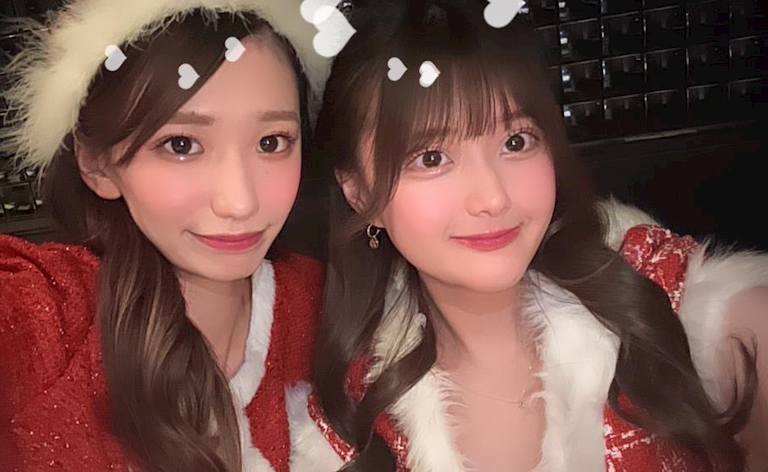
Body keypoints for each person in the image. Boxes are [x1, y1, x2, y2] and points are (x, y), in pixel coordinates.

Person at [299, 0, 768, 470]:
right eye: (431, 158)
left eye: (516, 141)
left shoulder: (662, 296)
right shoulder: (359, 394)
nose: (492, 197)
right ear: (359, 191)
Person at [0, 1, 333, 471]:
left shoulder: (317, 302)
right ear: (97, 164)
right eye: (181, 145)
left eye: (271, 142)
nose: (239, 202)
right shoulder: (43, 308)